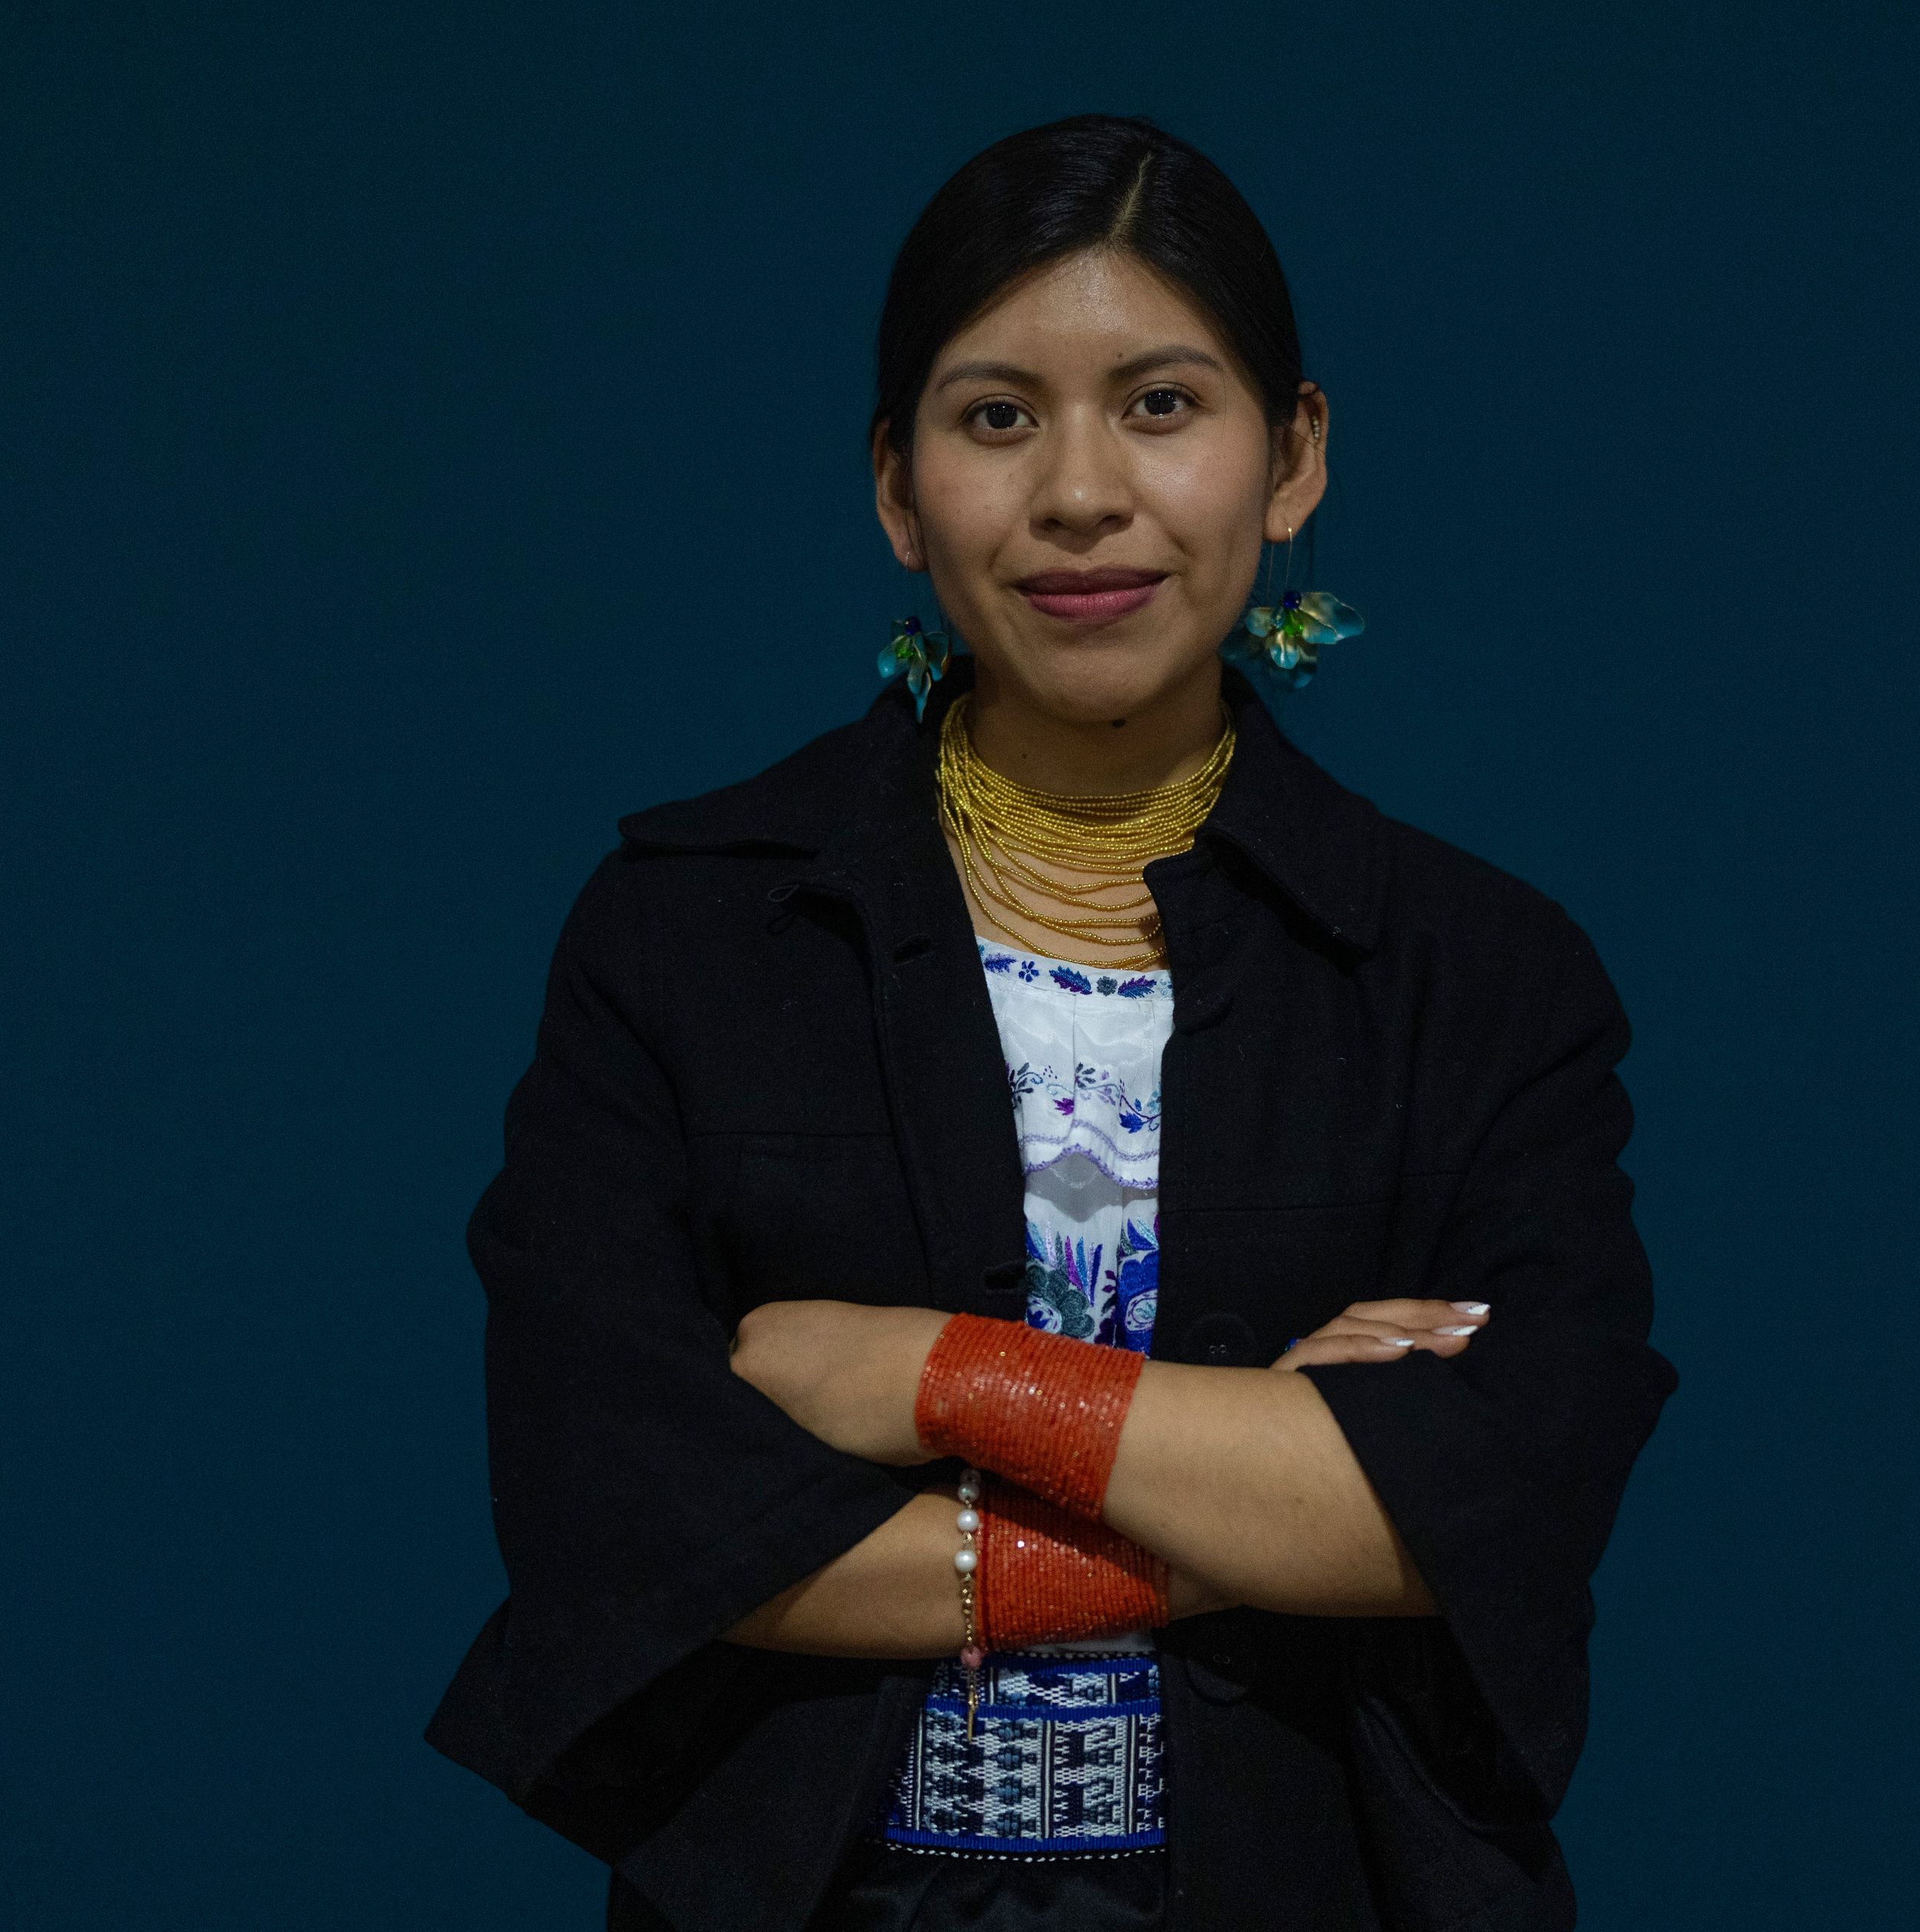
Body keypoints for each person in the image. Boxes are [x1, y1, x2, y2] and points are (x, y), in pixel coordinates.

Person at [426, 115, 1678, 1931]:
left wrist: (923, 1376)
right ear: (893, 484)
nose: (1081, 492)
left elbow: (1492, 1505)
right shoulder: (687, 937)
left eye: (1162, 404)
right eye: (996, 414)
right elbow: (629, 1518)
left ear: (1295, 454)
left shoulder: (1482, 978)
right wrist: (1250, 1503)